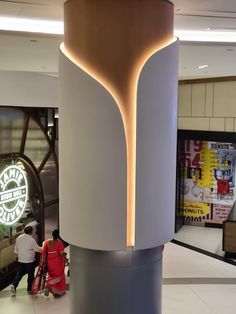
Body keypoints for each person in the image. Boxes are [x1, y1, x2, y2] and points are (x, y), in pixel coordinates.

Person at [11, 225, 41, 295]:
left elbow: (16, 250)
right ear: (31, 232)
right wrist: (42, 248)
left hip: (21, 259)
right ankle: (29, 289)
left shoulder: (19, 238)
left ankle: (14, 284)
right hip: (29, 260)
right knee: (30, 275)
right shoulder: (31, 240)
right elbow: (37, 249)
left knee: (20, 273)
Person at [42, 229, 68, 297]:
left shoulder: (46, 242)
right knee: (60, 276)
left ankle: (53, 290)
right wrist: (66, 261)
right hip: (58, 263)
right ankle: (51, 287)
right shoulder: (59, 243)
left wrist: (44, 263)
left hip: (50, 263)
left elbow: (44, 254)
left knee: (52, 275)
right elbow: (62, 254)